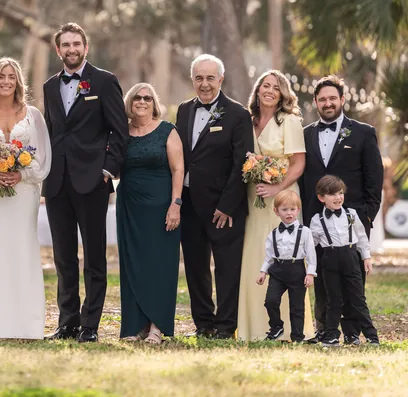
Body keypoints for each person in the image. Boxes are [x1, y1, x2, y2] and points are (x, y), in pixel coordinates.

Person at [42, 22, 129, 343]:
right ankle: (67, 322)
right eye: (65, 45)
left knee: (94, 258)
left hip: (92, 182)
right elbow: (52, 132)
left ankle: (90, 325)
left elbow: (119, 132)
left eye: (76, 44)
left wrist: (107, 171)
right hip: (56, 184)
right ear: (58, 50)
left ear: (85, 47)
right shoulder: (50, 86)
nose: (71, 49)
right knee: (64, 258)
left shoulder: (105, 82)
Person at [0, 58, 51, 339]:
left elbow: (43, 155)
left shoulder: (33, 114)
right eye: (1, 76)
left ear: (18, 82)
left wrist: (23, 175)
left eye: (11, 77)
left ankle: (25, 324)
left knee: (21, 250)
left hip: (23, 195)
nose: (6, 81)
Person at [299, 75, 383, 344]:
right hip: (317, 220)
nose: (327, 103)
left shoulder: (363, 132)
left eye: (332, 98)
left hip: (352, 219)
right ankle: (325, 330)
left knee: (353, 279)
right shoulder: (305, 134)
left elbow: (374, 178)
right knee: (321, 276)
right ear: (315, 102)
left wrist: (367, 214)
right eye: (322, 99)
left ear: (342, 100)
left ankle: (352, 332)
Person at [175, 54, 253, 339]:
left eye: (210, 78)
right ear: (192, 80)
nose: (204, 84)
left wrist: (227, 205)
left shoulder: (237, 114)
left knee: (227, 268)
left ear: (221, 79)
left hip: (224, 207)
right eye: (199, 78)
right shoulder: (183, 110)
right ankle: (203, 323)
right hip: (189, 204)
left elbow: (242, 163)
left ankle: (225, 325)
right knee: (196, 268)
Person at [237, 70, 312, 341]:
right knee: (254, 257)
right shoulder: (249, 120)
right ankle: (252, 327)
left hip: (281, 199)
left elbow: (299, 163)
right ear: (257, 90)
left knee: (284, 258)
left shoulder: (289, 121)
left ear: (283, 94)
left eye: (276, 87)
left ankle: (288, 329)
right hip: (253, 198)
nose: (269, 90)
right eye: (265, 86)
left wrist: (275, 188)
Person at [116, 83, 183, 345]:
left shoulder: (167, 130)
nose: (142, 102)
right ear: (129, 104)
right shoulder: (122, 133)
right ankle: (135, 325)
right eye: (136, 98)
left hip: (162, 207)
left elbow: (178, 169)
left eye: (147, 98)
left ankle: (157, 326)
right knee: (133, 264)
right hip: (129, 207)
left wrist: (175, 204)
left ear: (154, 103)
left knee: (160, 265)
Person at [309, 175, 379, 347]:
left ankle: (371, 335)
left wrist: (366, 257)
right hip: (329, 260)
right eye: (332, 194)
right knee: (333, 300)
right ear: (321, 198)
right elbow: (310, 245)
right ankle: (332, 335)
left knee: (357, 299)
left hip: (351, 258)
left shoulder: (351, 214)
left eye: (340, 193)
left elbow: (361, 237)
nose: (338, 197)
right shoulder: (317, 220)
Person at [256, 190, 317, 342]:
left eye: (292, 209)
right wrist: (263, 271)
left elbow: (311, 255)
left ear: (298, 210)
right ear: (276, 211)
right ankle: (276, 327)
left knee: (297, 306)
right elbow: (269, 256)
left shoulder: (305, 232)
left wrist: (310, 273)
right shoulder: (273, 234)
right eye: (284, 210)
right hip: (277, 271)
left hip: (297, 270)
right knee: (271, 301)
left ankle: (297, 336)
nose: (289, 213)